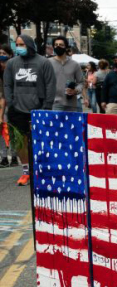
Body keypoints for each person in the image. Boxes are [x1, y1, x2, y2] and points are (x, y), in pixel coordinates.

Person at [2, 34, 56, 185]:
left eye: (22, 44)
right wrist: (11, 102)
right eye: (17, 44)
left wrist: (47, 106)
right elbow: (7, 84)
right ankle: (26, 172)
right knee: (20, 144)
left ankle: (41, 171)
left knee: (40, 142)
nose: (19, 47)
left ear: (30, 45)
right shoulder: (12, 63)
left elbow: (50, 85)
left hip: (38, 109)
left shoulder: (43, 62)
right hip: (17, 110)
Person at [49, 36, 84, 112]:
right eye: (56, 45)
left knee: (71, 124)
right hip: (54, 104)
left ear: (66, 47)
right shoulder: (48, 63)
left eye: (61, 45)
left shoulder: (75, 64)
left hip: (71, 104)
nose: (58, 46)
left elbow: (81, 83)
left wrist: (75, 90)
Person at [0, 44, 15, 168]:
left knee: (13, 131)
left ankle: (14, 156)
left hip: (14, 104)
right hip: (3, 102)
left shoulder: (14, 69)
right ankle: (4, 157)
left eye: (4, 53)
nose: (1, 56)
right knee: (2, 130)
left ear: (10, 55)